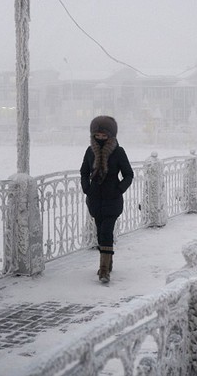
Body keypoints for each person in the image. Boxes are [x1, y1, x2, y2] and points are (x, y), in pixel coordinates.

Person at [80, 116, 134, 284]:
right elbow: (83, 172)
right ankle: (108, 263)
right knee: (100, 232)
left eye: (104, 136)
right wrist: (87, 189)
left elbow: (128, 174)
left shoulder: (118, 152)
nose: (101, 138)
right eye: (98, 135)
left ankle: (103, 270)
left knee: (106, 232)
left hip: (112, 199)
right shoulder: (90, 152)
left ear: (111, 135)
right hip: (95, 199)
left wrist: (118, 189)